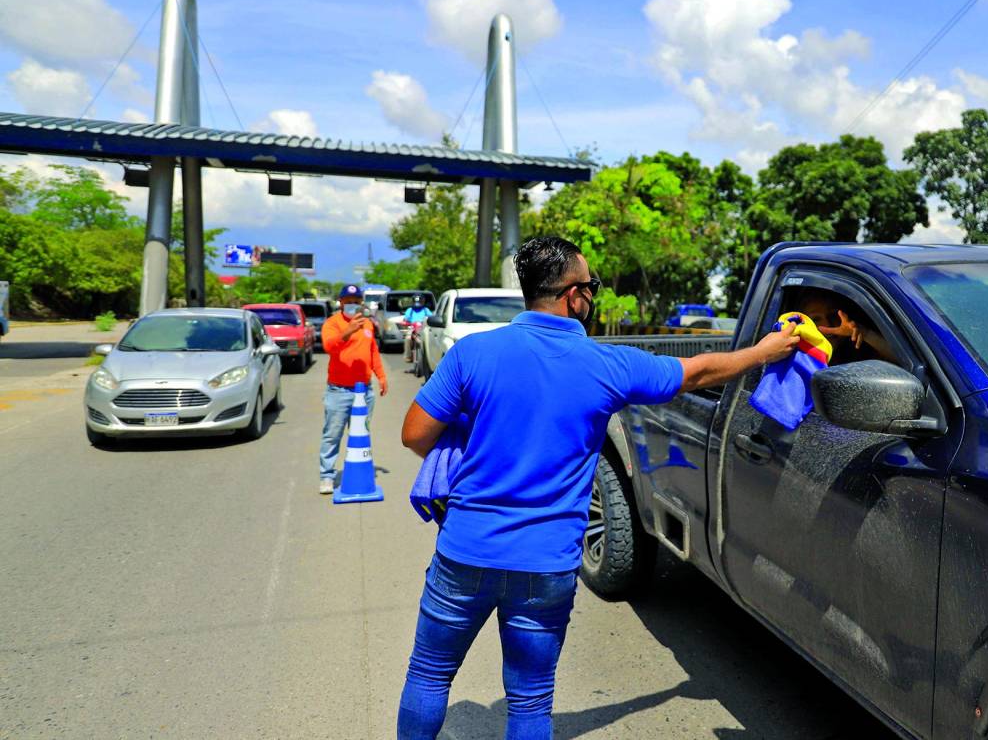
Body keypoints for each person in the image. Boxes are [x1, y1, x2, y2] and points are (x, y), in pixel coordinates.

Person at [396, 236, 800, 739]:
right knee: (529, 703)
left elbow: (415, 435)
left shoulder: (473, 354)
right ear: (572, 296)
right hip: (545, 564)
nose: (593, 295)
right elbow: (697, 374)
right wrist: (764, 352)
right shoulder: (607, 366)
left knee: (429, 674)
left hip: (465, 550)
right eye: (591, 286)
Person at [318, 284, 388, 495]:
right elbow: (328, 346)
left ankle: (358, 470)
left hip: (364, 391)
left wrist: (381, 376)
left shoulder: (367, 324)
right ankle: (327, 476)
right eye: (348, 301)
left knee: (360, 433)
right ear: (340, 302)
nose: (352, 305)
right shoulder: (332, 323)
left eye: (356, 301)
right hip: (339, 391)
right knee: (332, 434)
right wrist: (347, 332)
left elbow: (373, 350)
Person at [797, 289, 899, 365]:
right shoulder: (798, 358)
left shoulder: (856, 350)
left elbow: (903, 359)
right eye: (816, 319)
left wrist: (866, 334)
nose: (828, 324)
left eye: (833, 315)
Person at [403, 296, 432, 364]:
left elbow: (431, 316)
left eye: (419, 302)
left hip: (423, 327)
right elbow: (406, 318)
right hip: (412, 327)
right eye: (416, 302)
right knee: (408, 338)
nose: (417, 304)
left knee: (430, 339)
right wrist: (406, 321)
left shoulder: (425, 310)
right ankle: (408, 356)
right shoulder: (410, 310)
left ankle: (428, 356)